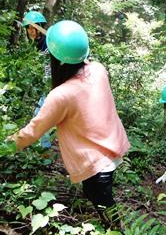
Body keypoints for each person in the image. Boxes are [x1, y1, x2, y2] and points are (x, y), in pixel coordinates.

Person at [9, 20, 130, 218]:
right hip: (112, 150)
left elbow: (32, 132)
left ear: (55, 59)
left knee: (105, 207)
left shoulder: (61, 96)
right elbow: (87, 65)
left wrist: (7, 145)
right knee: (101, 199)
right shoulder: (98, 70)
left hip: (95, 163)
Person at [22, 11, 52, 149]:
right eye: (28, 28)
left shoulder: (49, 40)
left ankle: (44, 148)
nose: (30, 31)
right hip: (49, 86)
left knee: (39, 116)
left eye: (32, 27)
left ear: (39, 27)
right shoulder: (39, 44)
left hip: (55, 85)